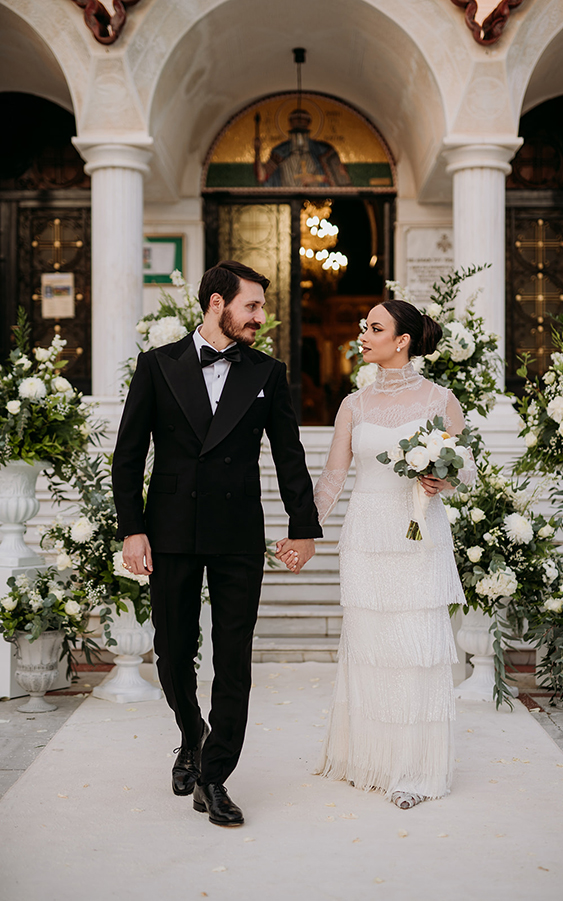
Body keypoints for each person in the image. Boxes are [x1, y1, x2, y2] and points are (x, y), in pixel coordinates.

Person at [112, 260, 322, 827]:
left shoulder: (268, 372)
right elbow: (128, 455)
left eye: (260, 307)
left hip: (236, 534)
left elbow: (288, 455)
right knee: (173, 650)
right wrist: (134, 529)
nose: (260, 317)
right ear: (215, 304)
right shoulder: (158, 365)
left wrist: (302, 527)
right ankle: (191, 733)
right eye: (250, 306)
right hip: (171, 530)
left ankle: (215, 776)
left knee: (233, 660)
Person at [300, 298, 476, 808]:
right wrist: (304, 529)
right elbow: (334, 478)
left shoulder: (441, 400)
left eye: (374, 327)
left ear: (402, 340)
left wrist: (442, 476)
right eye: (363, 325)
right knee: (371, 645)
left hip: (419, 533)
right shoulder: (353, 404)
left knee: (415, 647)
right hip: (367, 536)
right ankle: (372, 760)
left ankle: (415, 769)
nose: (363, 333)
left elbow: (466, 471)